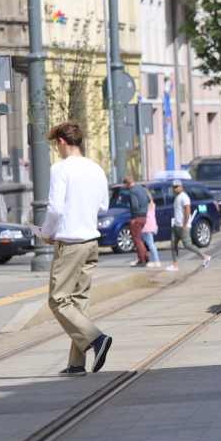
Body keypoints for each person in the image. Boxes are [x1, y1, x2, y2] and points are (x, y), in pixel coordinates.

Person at [41, 121, 113, 378]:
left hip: (70, 242)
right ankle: (76, 364)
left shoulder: (60, 168)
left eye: (55, 145)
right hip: (92, 243)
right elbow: (103, 205)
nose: (56, 150)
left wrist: (47, 233)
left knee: (58, 300)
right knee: (79, 302)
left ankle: (96, 339)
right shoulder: (96, 168)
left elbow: (55, 209)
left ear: (61, 141)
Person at [168, 181, 211, 272]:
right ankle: (175, 265)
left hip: (183, 226)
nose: (175, 189)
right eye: (174, 187)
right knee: (173, 245)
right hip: (176, 225)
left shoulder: (184, 197)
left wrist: (185, 224)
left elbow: (188, 211)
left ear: (181, 187)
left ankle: (205, 256)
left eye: (177, 187)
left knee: (187, 245)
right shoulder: (177, 198)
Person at [123, 174, 151, 267]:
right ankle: (145, 256)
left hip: (137, 217)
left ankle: (141, 260)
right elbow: (148, 200)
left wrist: (134, 218)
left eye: (125, 185)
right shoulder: (141, 188)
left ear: (127, 184)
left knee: (136, 239)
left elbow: (134, 205)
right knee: (140, 238)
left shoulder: (132, 191)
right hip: (144, 216)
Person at [141, 198, 161, 268]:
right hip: (152, 225)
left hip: (147, 226)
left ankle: (156, 260)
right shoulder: (152, 204)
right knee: (145, 244)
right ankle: (144, 258)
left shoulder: (145, 205)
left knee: (150, 244)